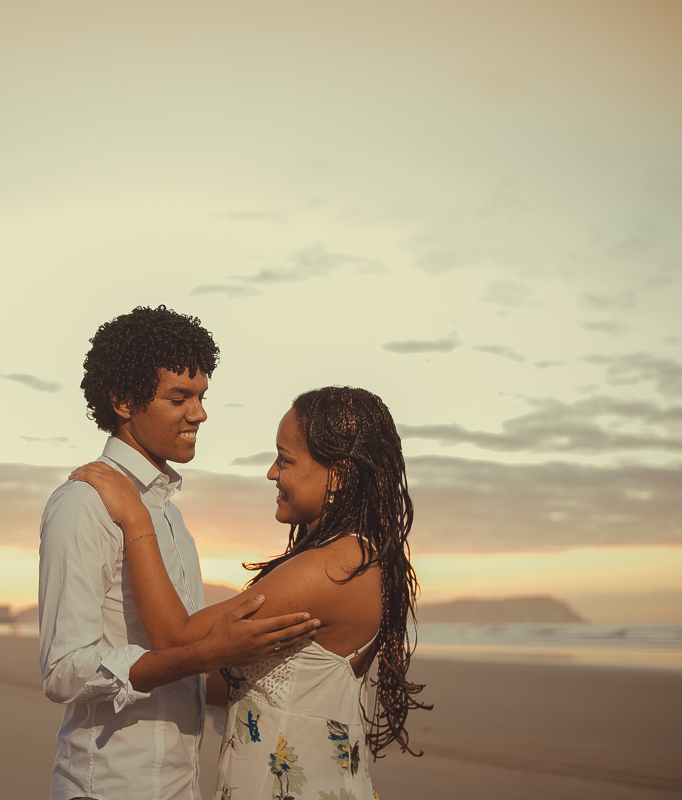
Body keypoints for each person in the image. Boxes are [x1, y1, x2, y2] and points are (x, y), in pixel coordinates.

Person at [70, 386, 430, 800]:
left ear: (340, 475)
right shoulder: (362, 557)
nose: (272, 473)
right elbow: (265, 687)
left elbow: (173, 638)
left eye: (286, 459)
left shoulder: (327, 569)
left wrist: (136, 517)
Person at [39, 305, 320, 800]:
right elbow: (63, 671)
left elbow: (184, 651)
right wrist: (205, 654)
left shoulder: (168, 512)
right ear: (123, 401)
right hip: (109, 786)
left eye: (201, 396)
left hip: (180, 784)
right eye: (179, 398)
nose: (199, 413)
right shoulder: (84, 503)